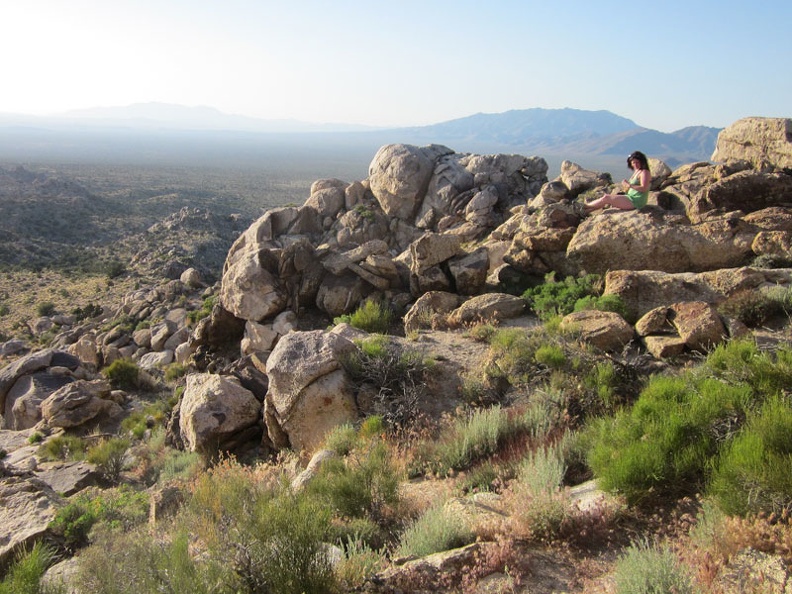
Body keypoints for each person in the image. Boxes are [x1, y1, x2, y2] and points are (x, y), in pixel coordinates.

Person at [584, 151, 651, 213]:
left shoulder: (644, 172)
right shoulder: (637, 171)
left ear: (642, 162)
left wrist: (629, 185)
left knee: (606, 198)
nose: (635, 164)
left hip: (636, 201)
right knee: (605, 200)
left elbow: (644, 188)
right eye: (634, 162)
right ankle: (585, 211)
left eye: (637, 162)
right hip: (630, 197)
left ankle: (584, 207)